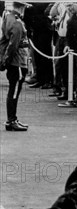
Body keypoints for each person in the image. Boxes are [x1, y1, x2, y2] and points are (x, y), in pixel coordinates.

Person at [0, 0, 30, 131]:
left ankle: (12, 119)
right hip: (17, 61)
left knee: (14, 90)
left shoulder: (9, 18)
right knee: (14, 91)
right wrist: (6, 60)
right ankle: (11, 120)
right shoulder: (17, 22)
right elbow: (14, 45)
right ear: (22, 7)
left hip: (14, 60)